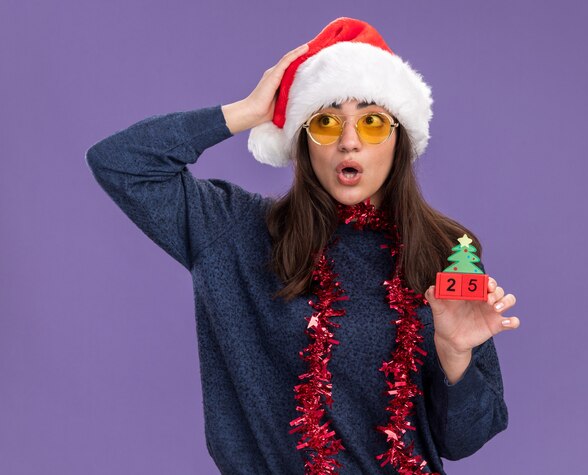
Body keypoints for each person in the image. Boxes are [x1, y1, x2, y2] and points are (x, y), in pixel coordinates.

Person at [86, 17, 519, 475]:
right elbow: (120, 163)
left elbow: (465, 441)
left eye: (372, 122)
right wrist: (250, 111)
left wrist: (455, 355)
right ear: (302, 140)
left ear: (399, 139)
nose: (348, 142)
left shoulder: (445, 249)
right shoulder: (234, 231)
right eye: (326, 122)